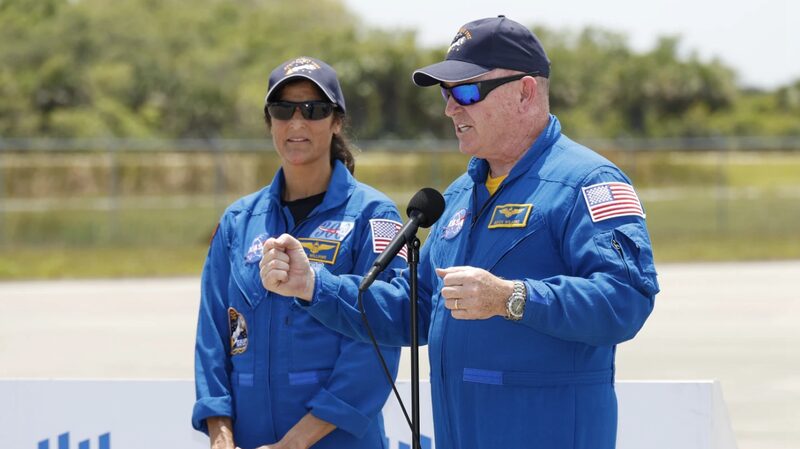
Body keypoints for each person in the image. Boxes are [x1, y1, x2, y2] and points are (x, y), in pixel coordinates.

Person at [260, 16, 659, 449]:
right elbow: (416, 309)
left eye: (467, 91)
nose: (452, 108)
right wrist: (313, 285)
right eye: (446, 94)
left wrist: (512, 298)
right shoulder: (458, 195)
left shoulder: (587, 182)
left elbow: (627, 298)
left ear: (525, 92)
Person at [192, 56, 404, 449]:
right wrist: (220, 436)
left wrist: (293, 444)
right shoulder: (239, 220)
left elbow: (378, 341)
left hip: (337, 440)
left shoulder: (374, 216)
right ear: (269, 120)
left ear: (336, 121)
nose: (297, 123)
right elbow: (213, 336)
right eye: (283, 109)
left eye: (314, 109)